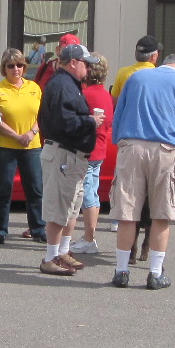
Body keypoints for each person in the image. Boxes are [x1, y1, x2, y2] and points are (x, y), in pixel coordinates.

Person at [109, 52, 175, 290]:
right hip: (164, 149)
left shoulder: (136, 78)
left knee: (128, 212)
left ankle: (121, 271)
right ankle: (155, 273)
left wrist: (121, 142)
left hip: (131, 146)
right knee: (161, 213)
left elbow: (117, 117)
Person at [35, 43, 103, 276]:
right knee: (58, 207)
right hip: (64, 153)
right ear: (73, 63)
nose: (88, 68)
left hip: (71, 155)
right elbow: (65, 123)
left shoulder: (67, 84)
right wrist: (90, 121)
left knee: (71, 207)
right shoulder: (63, 85)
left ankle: (61, 251)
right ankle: (50, 257)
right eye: (85, 63)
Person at [0, 48, 45, 246]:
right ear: (4, 68)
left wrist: (30, 134)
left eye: (19, 65)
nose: (16, 69)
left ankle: (38, 228)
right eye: (11, 66)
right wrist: (16, 135)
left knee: (35, 189)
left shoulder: (34, 88)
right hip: (4, 146)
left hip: (31, 145)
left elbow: (41, 115)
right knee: (3, 188)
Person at [72, 54, 113, 255]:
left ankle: (89, 238)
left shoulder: (86, 94)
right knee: (92, 191)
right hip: (100, 148)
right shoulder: (105, 94)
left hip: (87, 149)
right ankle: (89, 237)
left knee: (87, 193)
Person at [111, 35, 160, 103]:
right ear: (154, 56)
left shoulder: (122, 72)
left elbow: (114, 99)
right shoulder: (159, 76)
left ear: (136, 54)